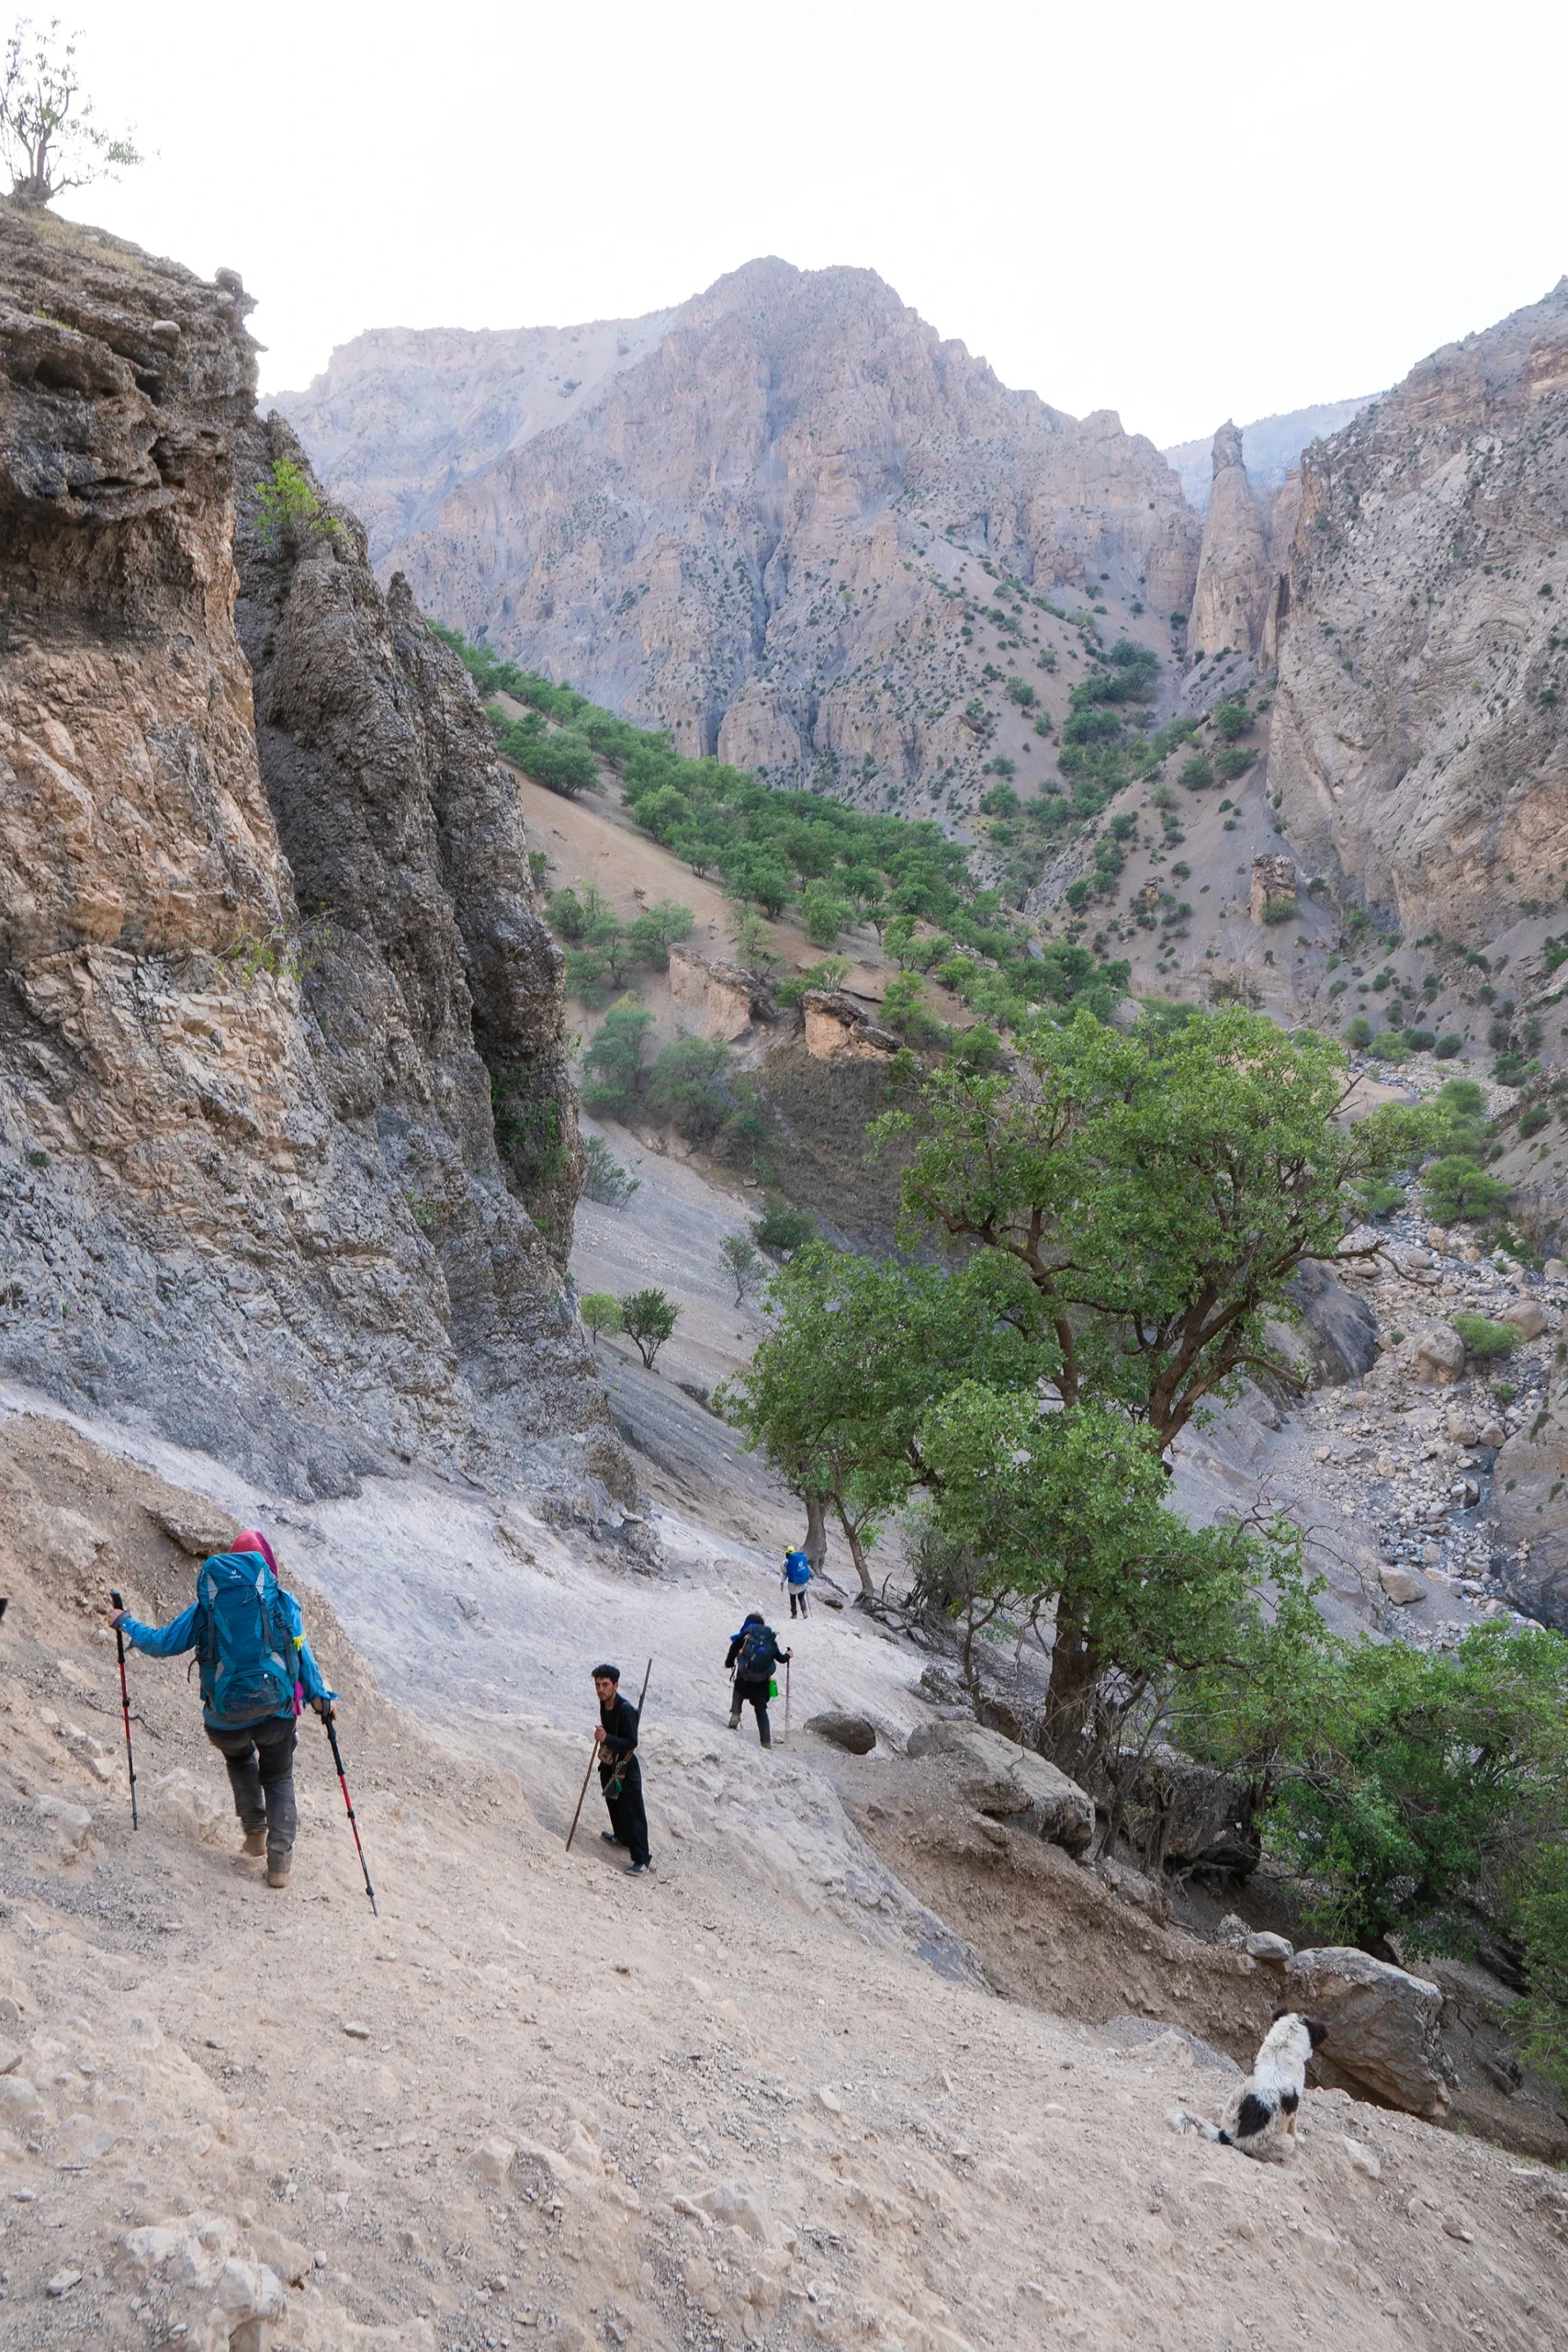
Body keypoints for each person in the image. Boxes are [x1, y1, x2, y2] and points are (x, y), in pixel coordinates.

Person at [109, 1532, 335, 1891]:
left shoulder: (208, 1606)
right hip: (276, 1713)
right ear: (265, 1564)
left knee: (239, 1758)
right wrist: (320, 1699)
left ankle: (254, 1829)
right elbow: (302, 1656)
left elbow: (162, 1643)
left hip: (225, 1718)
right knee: (278, 1777)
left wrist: (125, 1622)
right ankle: (279, 1864)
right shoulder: (281, 1602)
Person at [592, 1663, 651, 1874]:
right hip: (610, 1763)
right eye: (598, 1685)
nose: (600, 1689)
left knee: (632, 1810)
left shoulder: (625, 1710)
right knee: (613, 1801)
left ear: (615, 1685)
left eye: (605, 1685)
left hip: (625, 1765)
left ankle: (642, 1858)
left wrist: (607, 1737)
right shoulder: (604, 1704)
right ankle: (621, 1837)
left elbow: (631, 1742)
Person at [725, 1611, 791, 1747]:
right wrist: (788, 1655)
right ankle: (765, 1741)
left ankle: (735, 1715)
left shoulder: (743, 1639)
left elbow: (729, 1662)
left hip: (745, 1682)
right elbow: (781, 1659)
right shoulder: (770, 1642)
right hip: (762, 1685)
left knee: (738, 1686)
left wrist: (733, 1664)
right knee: (761, 1710)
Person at [782, 1545, 812, 1620]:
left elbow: (785, 1573)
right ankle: (805, 1612)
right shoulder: (799, 1560)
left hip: (793, 1585)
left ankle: (794, 1614)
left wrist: (782, 1583)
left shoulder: (787, 1562)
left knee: (793, 1599)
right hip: (803, 1584)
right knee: (801, 1598)